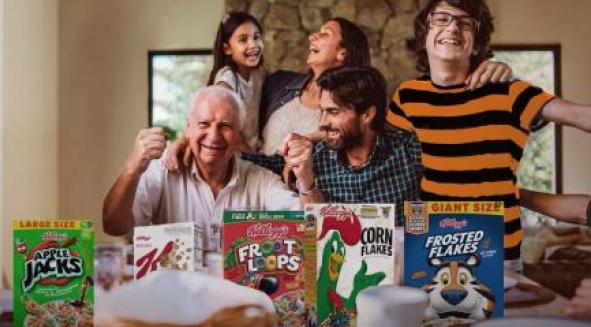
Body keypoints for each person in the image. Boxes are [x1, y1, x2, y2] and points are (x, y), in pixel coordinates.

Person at [387, 0, 591, 260]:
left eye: (465, 23)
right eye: (441, 19)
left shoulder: (509, 89)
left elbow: (579, 115)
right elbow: (387, 166)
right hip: (432, 245)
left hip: (497, 252)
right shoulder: (406, 97)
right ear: (424, 35)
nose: (452, 28)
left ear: (477, 42)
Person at [165, 17, 511, 169]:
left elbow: (396, 128)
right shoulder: (279, 84)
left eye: (324, 34)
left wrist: (491, 72)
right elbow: (222, 102)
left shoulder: (360, 107)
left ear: (343, 54)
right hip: (260, 195)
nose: (313, 38)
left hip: (314, 203)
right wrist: (189, 137)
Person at [102, 86, 300, 240]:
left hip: (239, 293)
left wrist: (306, 177)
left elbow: (307, 225)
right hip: (175, 292)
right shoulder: (163, 171)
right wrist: (132, 168)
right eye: (204, 124)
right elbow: (113, 226)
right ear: (188, 129)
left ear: (238, 134)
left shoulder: (261, 180)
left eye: (225, 126)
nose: (213, 137)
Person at [244, 65, 421, 226]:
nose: (322, 122)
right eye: (322, 111)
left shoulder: (407, 150)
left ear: (367, 114)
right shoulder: (311, 158)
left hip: (398, 258)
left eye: (333, 112)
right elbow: (251, 163)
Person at [206, 11, 265, 152]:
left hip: (253, 151)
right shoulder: (227, 78)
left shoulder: (258, 73)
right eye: (243, 40)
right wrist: (256, 160)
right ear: (227, 49)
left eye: (256, 37)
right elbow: (226, 130)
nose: (253, 45)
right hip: (233, 156)